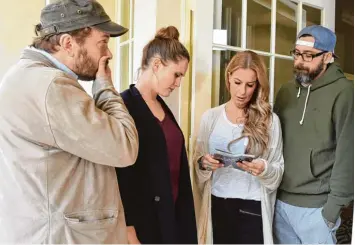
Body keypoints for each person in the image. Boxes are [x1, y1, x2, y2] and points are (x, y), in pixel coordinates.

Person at [0, 0, 138, 243]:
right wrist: (105, 88)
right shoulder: (51, 86)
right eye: (103, 42)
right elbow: (125, 146)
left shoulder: (26, 76)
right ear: (68, 43)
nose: (108, 54)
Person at [116, 26, 198, 244]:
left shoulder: (163, 108)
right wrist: (129, 230)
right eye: (176, 75)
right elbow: (118, 176)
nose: (179, 83)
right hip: (143, 227)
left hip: (172, 222)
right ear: (156, 65)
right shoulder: (123, 105)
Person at [192, 50, 284, 244]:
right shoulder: (210, 117)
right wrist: (204, 163)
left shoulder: (270, 121)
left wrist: (263, 168)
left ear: (258, 85)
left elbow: (277, 171)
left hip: (252, 208)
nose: (242, 92)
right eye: (237, 83)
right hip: (217, 204)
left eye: (250, 85)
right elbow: (196, 165)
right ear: (228, 77)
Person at [273, 25, 354, 244]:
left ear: (328, 57)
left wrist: (332, 211)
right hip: (280, 204)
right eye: (297, 54)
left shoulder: (346, 93)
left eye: (308, 56)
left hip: (317, 210)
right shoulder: (286, 91)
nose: (299, 62)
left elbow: (348, 155)